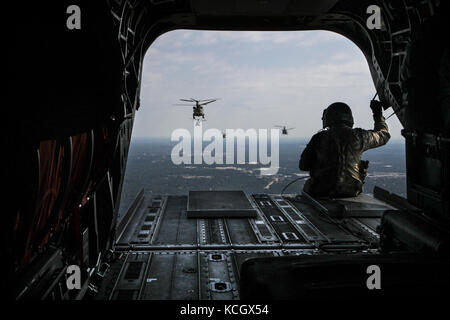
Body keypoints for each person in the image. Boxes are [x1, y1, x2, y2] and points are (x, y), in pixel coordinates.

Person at [299, 101, 390, 198]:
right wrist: (378, 114)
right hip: (351, 190)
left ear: (328, 119)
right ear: (349, 119)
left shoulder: (318, 138)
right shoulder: (360, 136)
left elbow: (303, 165)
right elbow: (383, 135)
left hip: (320, 190)